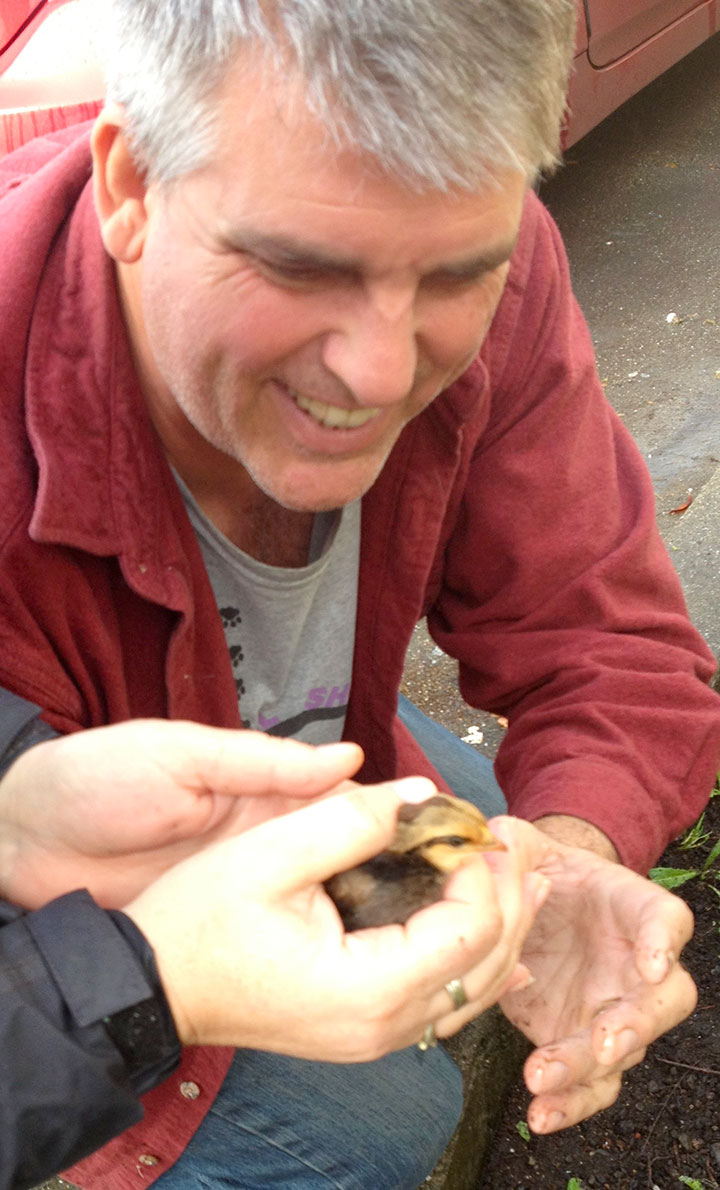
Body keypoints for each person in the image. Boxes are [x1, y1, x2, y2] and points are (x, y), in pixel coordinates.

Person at [0, 0, 718, 1186]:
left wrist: (570, 844)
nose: (383, 372)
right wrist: (157, 977)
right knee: (361, 1140)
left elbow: (606, 630)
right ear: (128, 186)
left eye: (458, 272)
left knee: (497, 829)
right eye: (297, 264)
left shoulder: (499, 253)